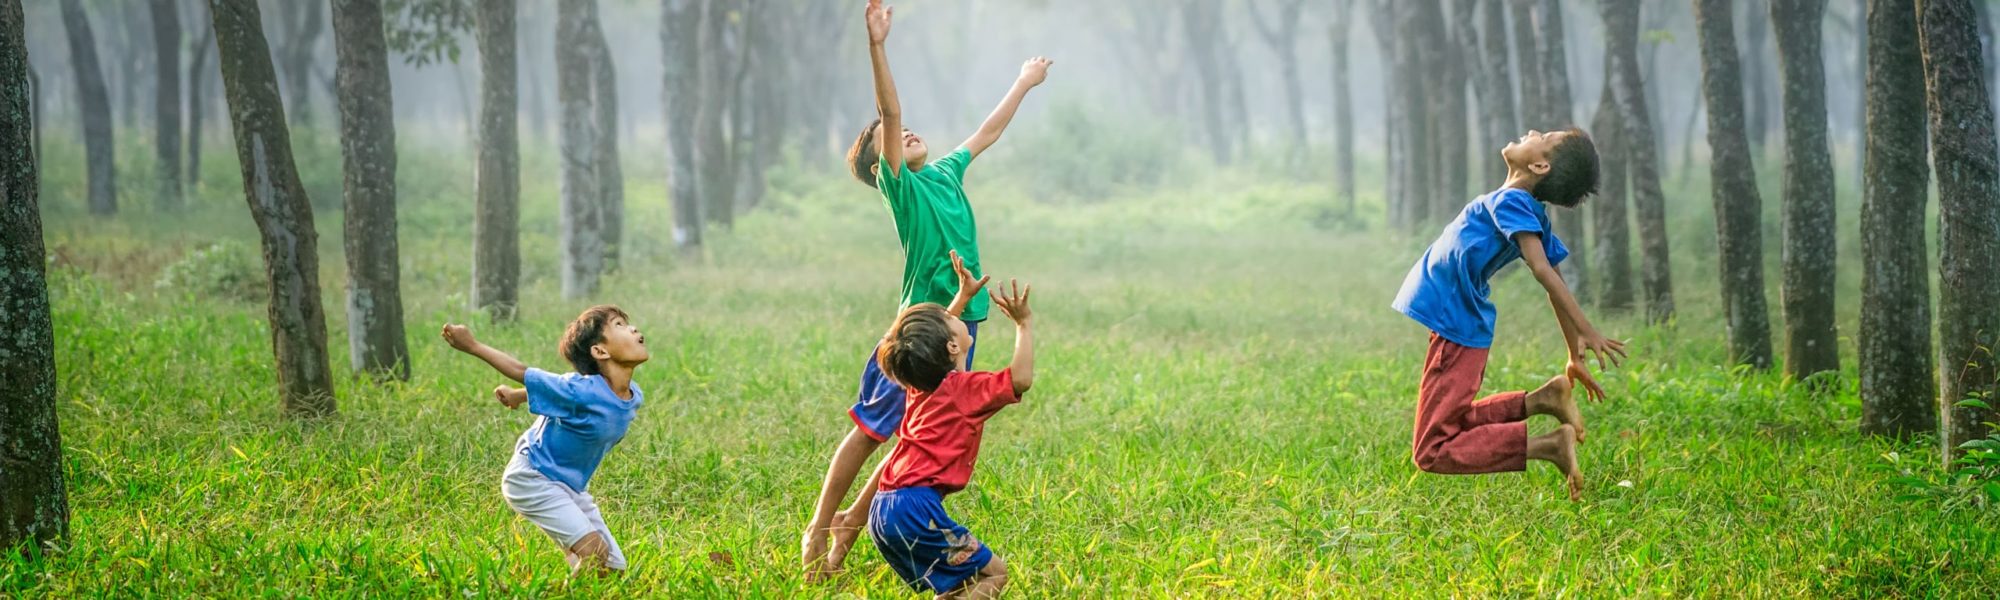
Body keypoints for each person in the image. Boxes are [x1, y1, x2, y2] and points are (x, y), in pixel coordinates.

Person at [804, 0, 1053, 579]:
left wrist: (1023, 81)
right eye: (887, 137)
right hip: (918, 327)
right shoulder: (901, 187)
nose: (905, 132)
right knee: (871, 431)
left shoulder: (943, 173)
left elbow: (988, 131)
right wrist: (877, 46)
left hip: (963, 322)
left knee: (920, 434)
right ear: (879, 164)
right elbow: (889, 110)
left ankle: (853, 524)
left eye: (906, 133)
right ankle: (819, 526)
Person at [1390, 128, 1625, 501]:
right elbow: (1554, 281)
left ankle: (1548, 447)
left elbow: (1544, 271)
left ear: (1539, 164)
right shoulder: (1522, 206)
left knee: (1432, 449)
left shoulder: (1514, 202)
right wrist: (1572, 352)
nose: (1532, 131)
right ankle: (1543, 400)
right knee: (1453, 422)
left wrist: (1586, 330)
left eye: (1543, 135)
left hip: (1457, 325)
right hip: (1457, 323)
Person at [440, 306, 648, 573]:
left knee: (612, 568)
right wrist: (472, 345)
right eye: (619, 325)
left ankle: (575, 555)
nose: (632, 329)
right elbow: (521, 370)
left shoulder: (633, 395)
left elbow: (560, 395)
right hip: (533, 477)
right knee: (595, 555)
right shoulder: (580, 390)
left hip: (570, 487)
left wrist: (518, 395)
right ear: (600, 351)